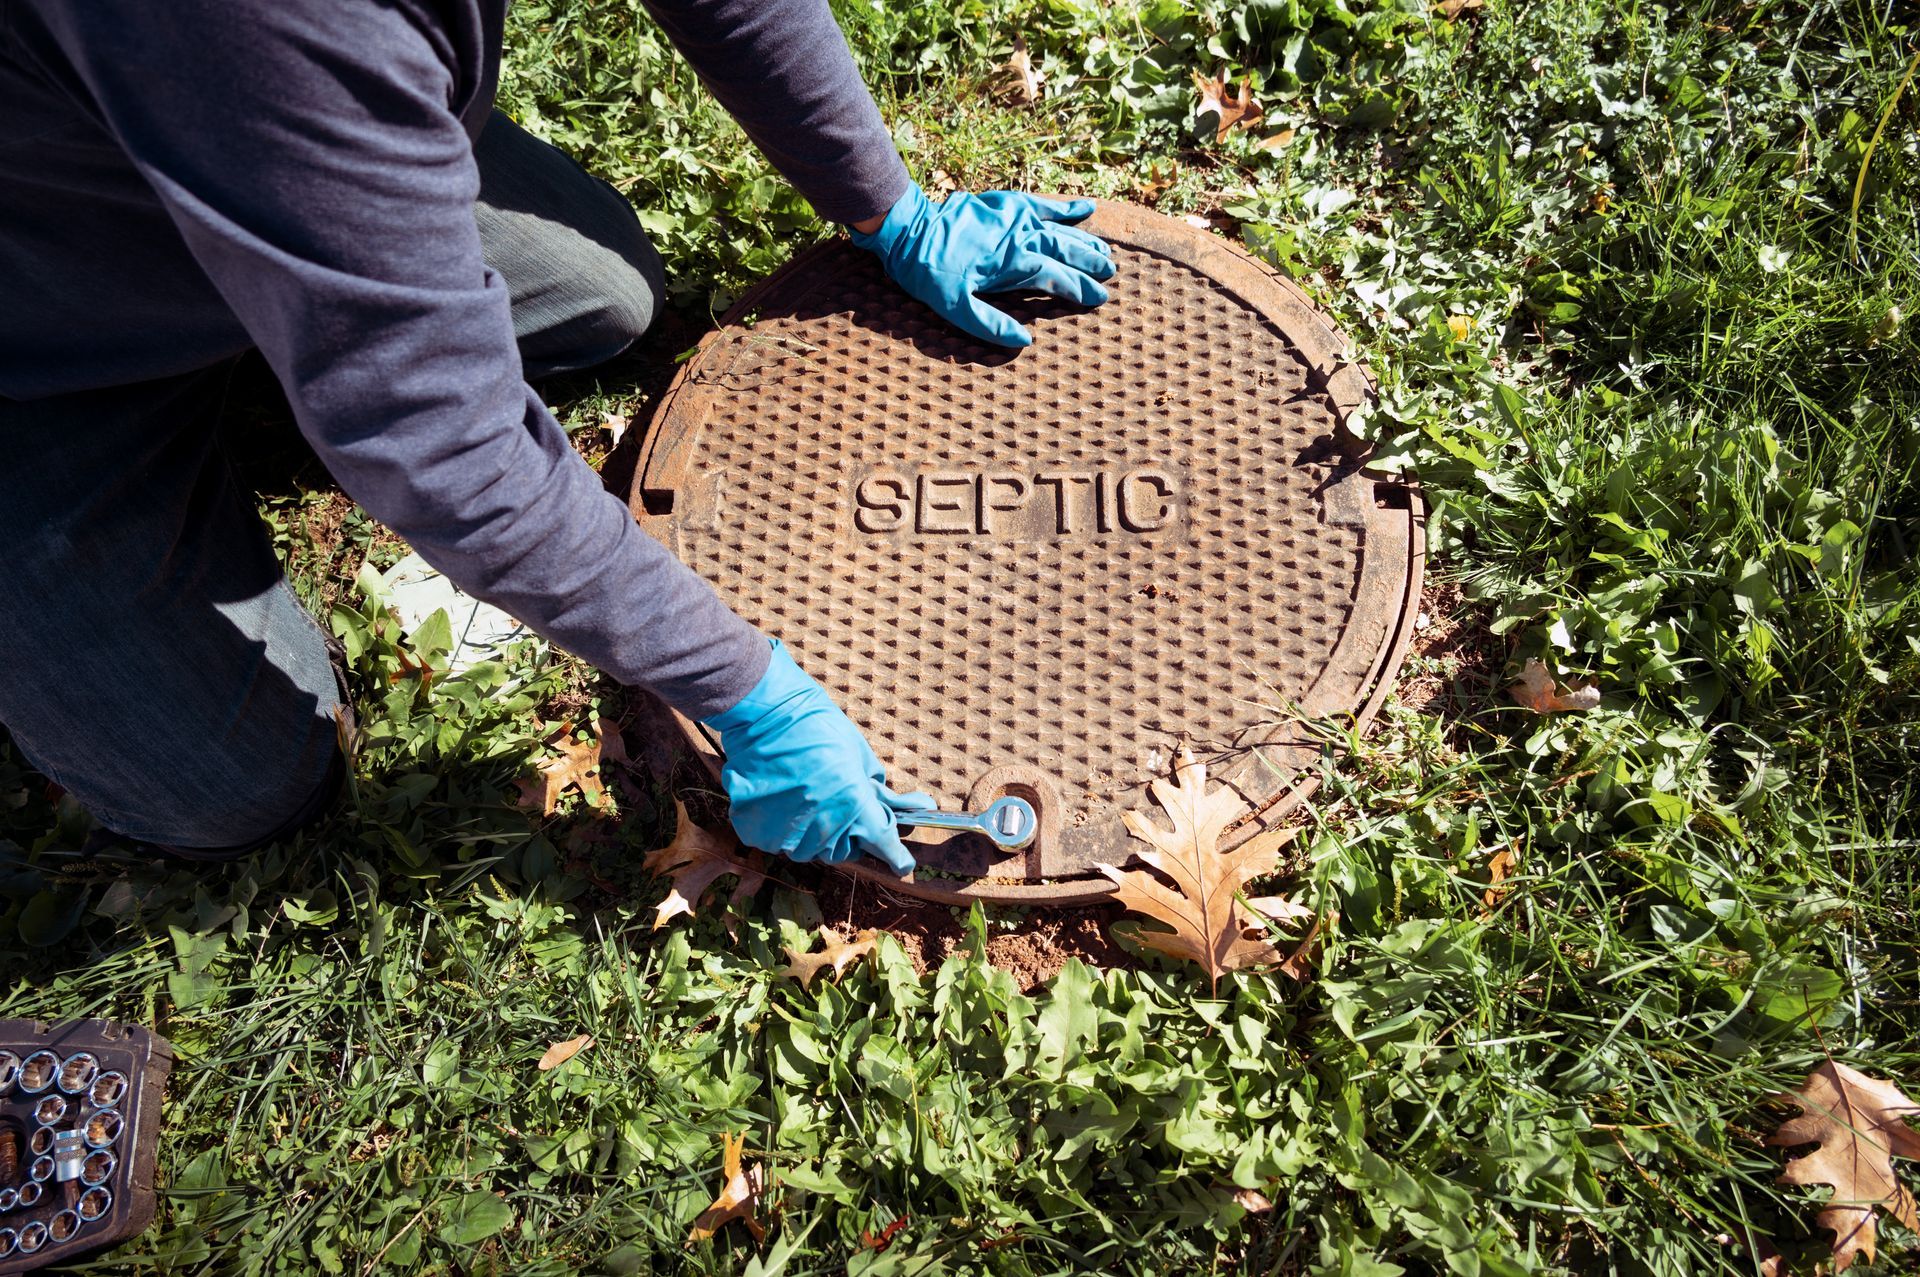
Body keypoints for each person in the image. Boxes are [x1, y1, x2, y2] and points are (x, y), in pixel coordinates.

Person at [0, 0, 1116, 874]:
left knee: (607, 296)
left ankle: (320, 242)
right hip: (43, 335)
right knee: (229, 782)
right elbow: (443, 440)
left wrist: (888, 206)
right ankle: (303, 273)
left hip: (231, 118)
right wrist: (744, 687)